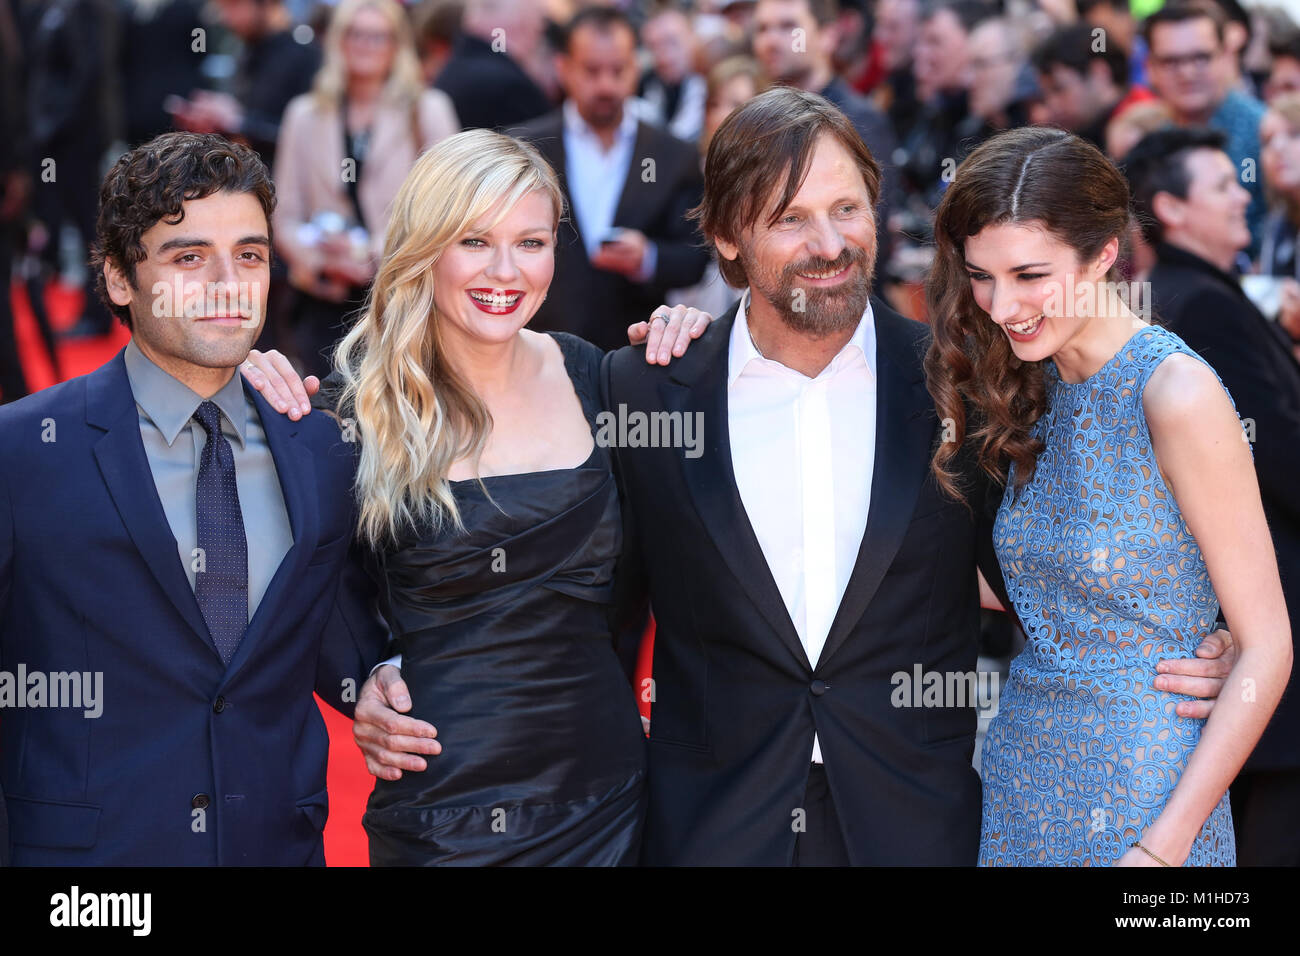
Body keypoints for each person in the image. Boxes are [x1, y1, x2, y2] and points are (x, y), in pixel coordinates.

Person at [349, 88, 1237, 866]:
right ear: (728, 237)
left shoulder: (962, 382)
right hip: (710, 824)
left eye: (847, 210)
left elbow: (1052, 555)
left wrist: (1194, 631)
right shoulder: (645, 389)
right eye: (790, 218)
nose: (829, 244)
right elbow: (543, 574)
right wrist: (379, 664)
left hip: (914, 822)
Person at [241, 129, 713, 865]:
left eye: (531, 242)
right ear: (425, 247)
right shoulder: (355, 410)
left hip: (611, 801)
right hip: (442, 813)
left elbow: (696, 539)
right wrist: (360, 681)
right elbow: (306, 582)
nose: (505, 271)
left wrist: (702, 352)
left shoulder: (603, 380)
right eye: (474, 241)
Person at [0, 132, 389, 865]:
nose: (228, 281)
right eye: (188, 256)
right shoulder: (20, 453)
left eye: (249, 254)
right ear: (119, 278)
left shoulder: (322, 449)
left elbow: (346, 640)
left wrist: (382, 677)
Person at [927, 125, 1291, 865]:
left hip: (1147, 796)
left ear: (1101, 255)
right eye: (982, 275)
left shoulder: (1176, 392)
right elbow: (1018, 588)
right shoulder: (1031, 387)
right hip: (1018, 777)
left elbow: (1269, 646)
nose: (1002, 304)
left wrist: (1162, 849)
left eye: (1030, 275)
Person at [1126, 125, 1300, 865]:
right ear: (1171, 208)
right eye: (1223, 186)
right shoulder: (1202, 308)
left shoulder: (1188, 296)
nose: (1242, 196)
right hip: (1259, 621)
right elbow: (1280, 461)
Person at [273, 0, 459, 379]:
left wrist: (368, 253)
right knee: (328, 412)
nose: (365, 45)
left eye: (378, 36)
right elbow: (284, 213)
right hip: (324, 299)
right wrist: (320, 261)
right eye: (356, 34)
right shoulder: (304, 114)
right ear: (338, 41)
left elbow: (449, 206)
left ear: (397, 45)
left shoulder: (428, 110)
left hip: (400, 298)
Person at [511, 7, 710, 352]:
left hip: (639, 354)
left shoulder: (672, 154)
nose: (605, 84)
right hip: (537, 348)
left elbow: (696, 256)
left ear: (636, 67)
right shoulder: (525, 147)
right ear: (563, 68)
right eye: (591, 70)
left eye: (617, 70)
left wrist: (648, 257)